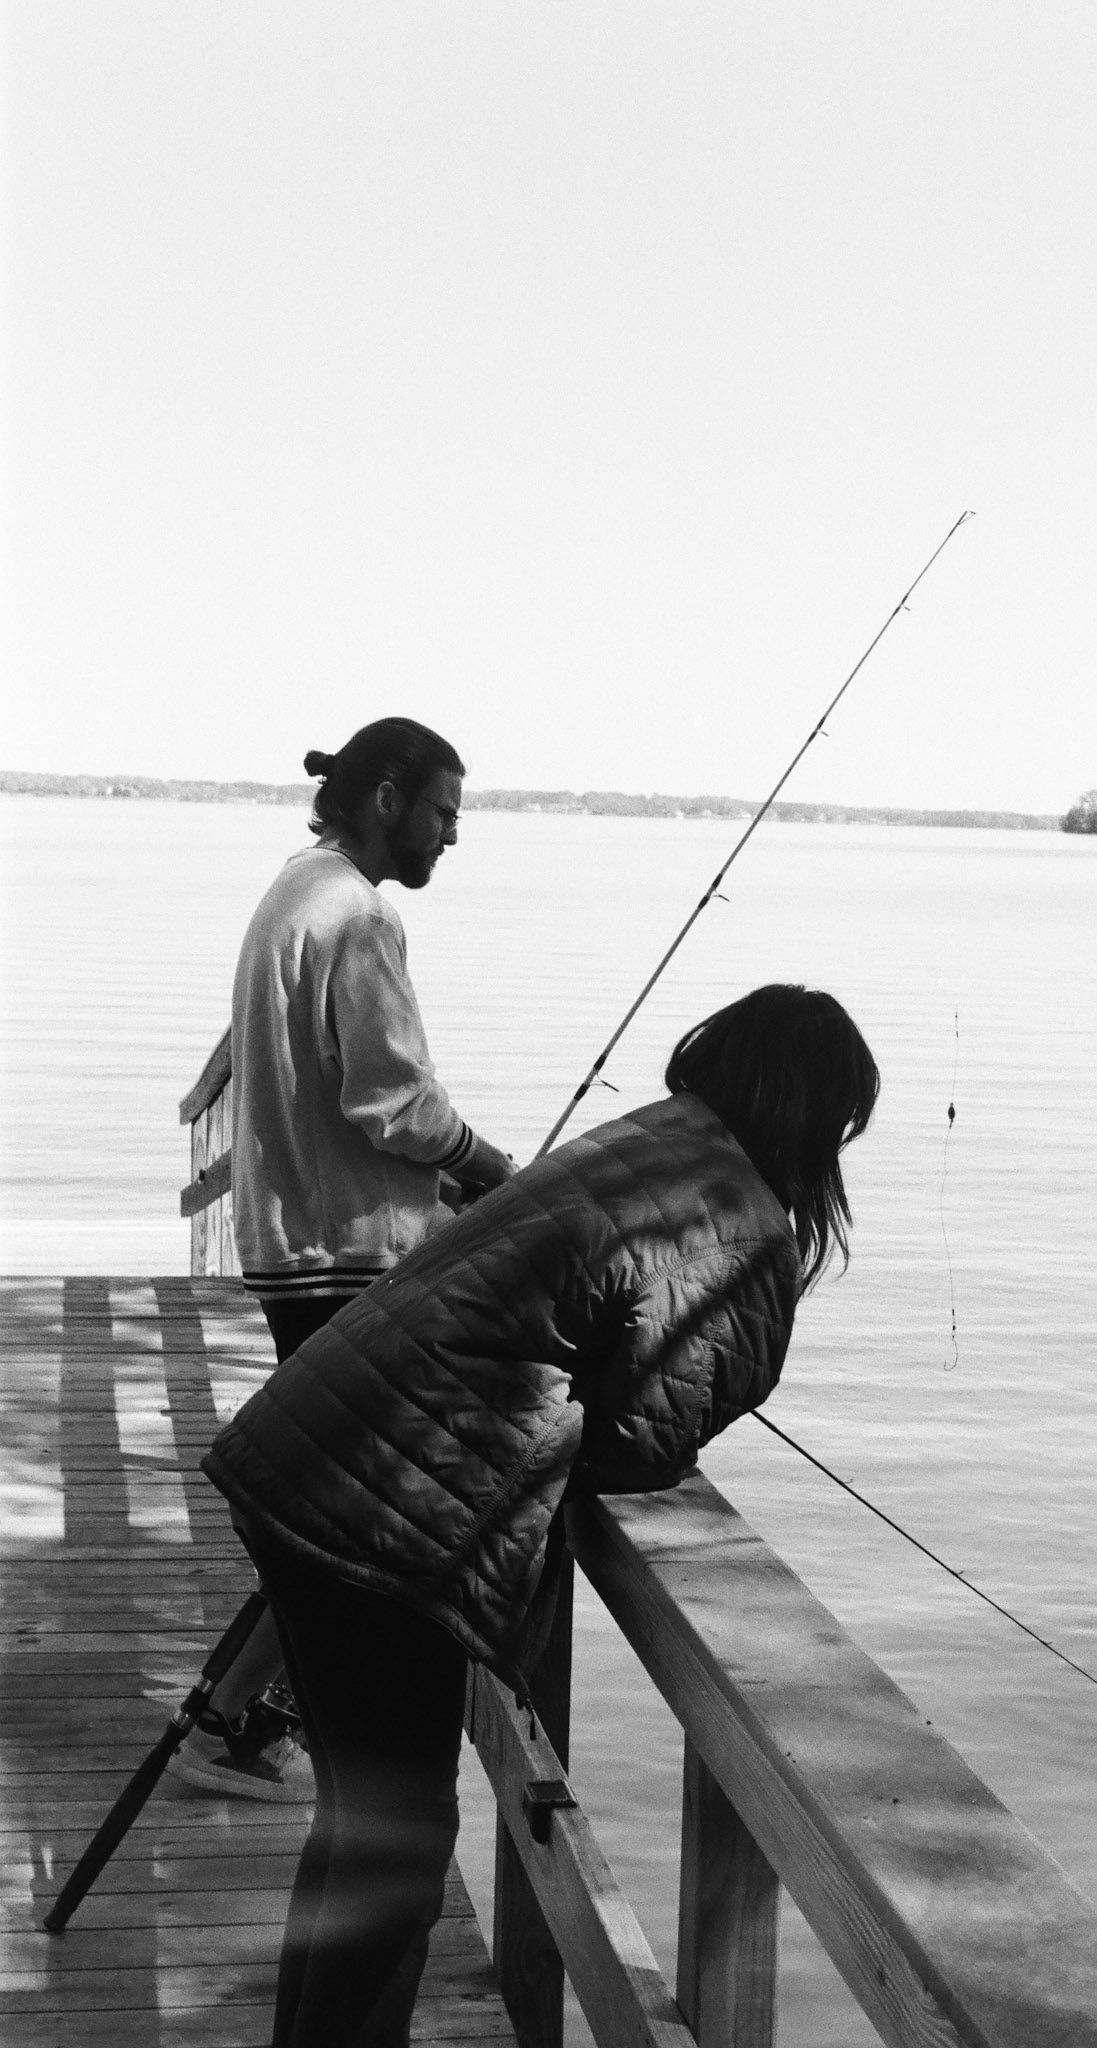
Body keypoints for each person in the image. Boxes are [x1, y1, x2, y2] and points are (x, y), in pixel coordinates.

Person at [202, 983, 880, 2048]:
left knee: (365, 1830)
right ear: (821, 1119)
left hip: (302, 1453)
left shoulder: (645, 1137)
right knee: (398, 1852)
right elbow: (644, 1438)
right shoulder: (742, 1227)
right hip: (383, 1519)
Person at [172, 717, 517, 1802]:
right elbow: (392, 1100)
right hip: (347, 1261)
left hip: (297, 1244)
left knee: (334, 1508)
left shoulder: (292, 892)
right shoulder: (358, 915)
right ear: (387, 798)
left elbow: (324, 1091)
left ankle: (242, 1714)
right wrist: (493, 1169)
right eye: (443, 812)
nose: (451, 834)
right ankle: (231, 1722)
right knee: (355, 1518)